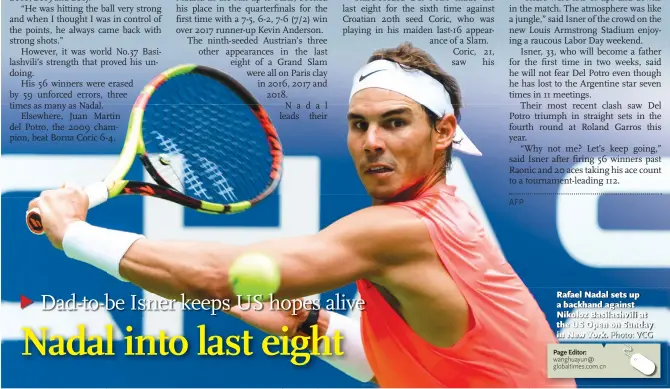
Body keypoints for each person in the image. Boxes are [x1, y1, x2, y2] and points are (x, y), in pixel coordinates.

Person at [29, 42, 575, 388]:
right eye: (359, 125)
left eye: (395, 122)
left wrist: (74, 233)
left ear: (443, 131)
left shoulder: (401, 230)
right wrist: (309, 324)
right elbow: (437, 361)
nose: (372, 142)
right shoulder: (444, 219)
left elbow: (221, 276)